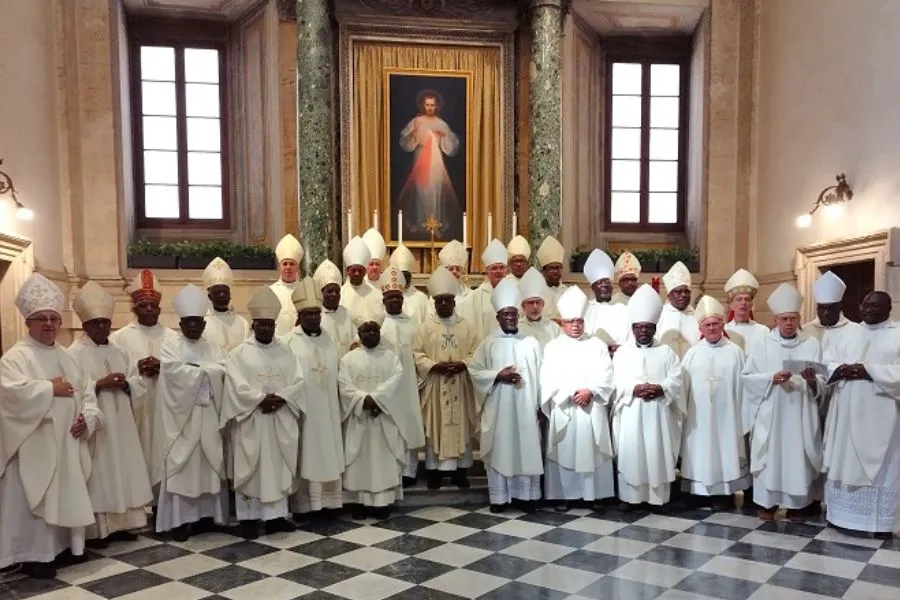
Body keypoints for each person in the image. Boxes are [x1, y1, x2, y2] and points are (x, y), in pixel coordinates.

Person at [0, 274, 98, 578]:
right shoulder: (14, 358)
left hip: (68, 442)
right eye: (41, 318)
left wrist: (89, 418)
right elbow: (9, 395)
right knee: (33, 498)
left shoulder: (67, 357)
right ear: (28, 322)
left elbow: (88, 392)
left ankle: (66, 547)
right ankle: (33, 555)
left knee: (65, 493)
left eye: (54, 318)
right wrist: (47, 389)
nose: (49, 324)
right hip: (34, 446)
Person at [69, 281, 152, 545]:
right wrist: (99, 384)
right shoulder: (73, 353)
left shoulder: (120, 350)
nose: (101, 327)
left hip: (123, 421)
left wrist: (126, 383)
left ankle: (127, 524)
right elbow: (74, 389)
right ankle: (99, 530)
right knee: (101, 471)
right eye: (95, 323)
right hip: (98, 425)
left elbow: (136, 380)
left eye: (105, 322)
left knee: (124, 467)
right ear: (85, 325)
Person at [222, 287, 303, 539]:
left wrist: (281, 399)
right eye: (261, 324)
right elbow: (235, 385)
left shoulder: (287, 351)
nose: (266, 329)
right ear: (253, 324)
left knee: (277, 468)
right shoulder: (238, 354)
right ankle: (248, 519)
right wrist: (260, 400)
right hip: (252, 421)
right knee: (252, 467)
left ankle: (276, 518)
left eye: (270, 324)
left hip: (280, 419)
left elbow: (299, 382)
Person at [742, 283, 824, 522]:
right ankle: (768, 504)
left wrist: (812, 382)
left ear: (799, 318)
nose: (788, 323)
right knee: (770, 457)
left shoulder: (812, 344)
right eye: (784, 318)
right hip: (772, 412)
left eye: (793, 318)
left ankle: (797, 506)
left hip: (800, 410)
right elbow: (747, 377)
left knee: (797, 457)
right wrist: (771, 378)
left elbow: (822, 379)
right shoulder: (763, 344)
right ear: (776, 320)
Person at [822, 291, 900, 536]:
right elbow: (828, 362)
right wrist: (840, 369)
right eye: (865, 305)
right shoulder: (848, 332)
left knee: (883, 466)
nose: (868, 310)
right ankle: (840, 516)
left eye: (875, 306)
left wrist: (869, 371)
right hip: (845, 409)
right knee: (844, 458)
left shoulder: (897, 333)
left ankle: (877, 523)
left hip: (881, 413)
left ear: (889, 308)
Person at [155, 285, 228, 541]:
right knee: (183, 466)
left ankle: (207, 517)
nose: (194, 327)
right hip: (182, 419)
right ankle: (179, 521)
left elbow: (223, 370)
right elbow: (174, 373)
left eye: (198, 322)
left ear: (204, 324)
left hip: (208, 415)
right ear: (181, 322)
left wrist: (199, 368)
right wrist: (206, 370)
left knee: (209, 464)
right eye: (189, 322)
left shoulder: (213, 347)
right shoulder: (170, 345)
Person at [469, 278, 543, 513]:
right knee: (501, 449)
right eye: (505, 315)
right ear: (498, 317)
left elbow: (542, 375)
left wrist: (541, 405)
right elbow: (474, 370)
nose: (510, 318)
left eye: (513, 314)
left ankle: (526, 497)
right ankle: (500, 499)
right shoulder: (488, 344)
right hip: (499, 409)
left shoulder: (531, 343)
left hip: (526, 407)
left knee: (525, 449)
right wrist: (497, 375)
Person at [541, 286, 615, 512]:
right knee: (564, 450)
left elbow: (607, 373)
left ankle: (593, 495)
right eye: (571, 321)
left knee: (591, 449)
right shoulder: (553, 347)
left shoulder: (597, 345)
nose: (576, 325)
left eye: (579, 321)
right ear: (562, 323)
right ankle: (562, 495)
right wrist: (569, 394)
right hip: (566, 407)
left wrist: (590, 391)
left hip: (591, 406)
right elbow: (547, 377)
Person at [612, 284, 685, 509]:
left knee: (656, 451)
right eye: (639, 327)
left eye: (648, 327)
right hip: (631, 411)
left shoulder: (667, 353)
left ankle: (657, 497)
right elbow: (614, 381)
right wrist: (633, 389)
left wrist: (661, 388)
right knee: (632, 452)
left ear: (655, 328)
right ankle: (630, 498)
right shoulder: (623, 353)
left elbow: (677, 379)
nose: (643, 331)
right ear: (633, 328)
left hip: (658, 413)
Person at [283, 277, 345, 518]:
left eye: (316, 314)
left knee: (328, 453)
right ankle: (305, 506)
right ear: (300, 315)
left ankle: (330, 503)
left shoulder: (330, 340)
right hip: (304, 414)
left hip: (329, 411)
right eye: (308, 314)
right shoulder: (289, 342)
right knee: (305, 454)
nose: (313, 318)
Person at [679, 295, 749, 509]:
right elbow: (684, 389)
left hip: (727, 416)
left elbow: (743, 388)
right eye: (707, 325)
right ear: (701, 327)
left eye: (715, 324)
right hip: (698, 417)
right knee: (700, 448)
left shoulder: (736, 353)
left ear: (722, 324)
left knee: (725, 449)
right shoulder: (692, 353)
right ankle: (699, 493)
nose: (711, 328)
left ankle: (724, 493)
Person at [414, 266, 479, 490]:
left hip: (460, 384)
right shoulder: (424, 328)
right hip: (435, 383)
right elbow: (416, 354)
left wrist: (463, 364)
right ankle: (434, 473)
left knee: (460, 427)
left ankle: (461, 473)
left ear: (454, 301)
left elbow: (476, 352)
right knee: (435, 426)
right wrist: (434, 366)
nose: (443, 304)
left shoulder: (467, 327)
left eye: (447, 300)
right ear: (434, 302)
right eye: (439, 300)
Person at [110, 270, 177, 485]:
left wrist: (164, 368)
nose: (149, 309)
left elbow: (183, 372)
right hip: (135, 410)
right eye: (143, 305)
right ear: (134, 308)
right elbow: (115, 374)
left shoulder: (173, 338)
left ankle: (162, 501)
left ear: (159, 308)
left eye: (152, 305)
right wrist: (136, 368)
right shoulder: (118, 338)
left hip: (164, 407)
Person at [338, 321, 406, 519]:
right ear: (358, 334)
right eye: (365, 331)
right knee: (359, 459)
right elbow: (344, 385)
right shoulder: (348, 359)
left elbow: (397, 381)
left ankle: (381, 504)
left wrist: (376, 401)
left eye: (374, 330)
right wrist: (364, 401)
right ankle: (358, 503)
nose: (370, 334)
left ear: (379, 333)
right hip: (360, 417)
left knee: (382, 459)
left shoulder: (391, 358)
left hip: (383, 418)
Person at [380, 266, 427, 486]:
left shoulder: (413, 324)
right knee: (390, 426)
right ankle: (391, 469)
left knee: (408, 422)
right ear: (383, 301)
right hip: (386, 388)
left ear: (403, 299)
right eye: (389, 298)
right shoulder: (377, 325)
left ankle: (409, 470)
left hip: (409, 384)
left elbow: (420, 353)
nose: (394, 302)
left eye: (397, 297)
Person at [397, 90, 462, 238]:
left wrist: (444, 136)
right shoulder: (417, 121)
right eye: (427, 105)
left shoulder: (441, 124)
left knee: (435, 190)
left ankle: (436, 224)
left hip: (436, 163)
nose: (430, 108)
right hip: (420, 160)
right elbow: (404, 140)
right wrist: (413, 134)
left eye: (432, 105)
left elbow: (452, 145)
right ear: (422, 105)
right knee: (421, 190)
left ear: (437, 106)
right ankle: (421, 223)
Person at [458, 239, 509, 340]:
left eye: (501, 267)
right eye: (494, 268)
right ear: (487, 271)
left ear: (506, 270)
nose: (498, 271)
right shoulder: (477, 295)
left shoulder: (514, 292)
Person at [582, 249, 629, 351]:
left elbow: (631, 339)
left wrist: (620, 348)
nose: (604, 285)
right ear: (592, 287)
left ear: (612, 286)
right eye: (599, 282)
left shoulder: (623, 309)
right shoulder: (586, 310)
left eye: (607, 282)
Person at [804, 271, 860, 352]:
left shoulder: (856, 331)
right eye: (822, 308)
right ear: (817, 308)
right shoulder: (805, 330)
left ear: (840, 307)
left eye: (830, 308)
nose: (826, 313)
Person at [202, 257, 249, 353]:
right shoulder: (202, 323)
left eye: (225, 291)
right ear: (209, 296)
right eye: (218, 292)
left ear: (230, 295)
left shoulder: (243, 323)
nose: (222, 295)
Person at [313, 258, 357, 355]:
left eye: (337, 291)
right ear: (321, 293)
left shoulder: (346, 313)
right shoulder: (316, 316)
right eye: (329, 291)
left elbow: (355, 338)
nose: (334, 294)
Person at [656, 261, 699, 358]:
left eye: (686, 291)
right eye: (678, 292)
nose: (683, 295)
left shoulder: (697, 317)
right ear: (669, 295)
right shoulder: (660, 316)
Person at [341, 236, 385, 326]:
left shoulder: (376, 293)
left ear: (365, 272)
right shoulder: (341, 294)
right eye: (353, 270)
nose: (357, 273)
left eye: (360, 270)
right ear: (347, 272)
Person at [724, 268, 769, 354]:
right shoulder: (724, 331)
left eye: (747, 299)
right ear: (731, 305)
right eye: (739, 299)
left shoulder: (763, 331)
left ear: (751, 304)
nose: (743, 303)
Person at [269, 233, 305, 336]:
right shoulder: (271, 291)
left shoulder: (304, 290)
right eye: (285, 264)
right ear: (279, 267)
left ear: (297, 267)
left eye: (292, 264)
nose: (288, 267)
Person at [517, 267, 561, 348]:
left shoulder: (554, 328)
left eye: (538, 302)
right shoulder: (517, 328)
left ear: (543, 304)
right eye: (531, 302)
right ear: (523, 306)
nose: (535, 306)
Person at [389, 243, 429, 323]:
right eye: (401, 276)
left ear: (410, 276)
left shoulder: (421, 298)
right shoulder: (388, 297)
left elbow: (427, 324)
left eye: (406, 275)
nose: (404, 279)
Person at [537, 235, 567, 320]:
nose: (555, 271)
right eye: (551, 268)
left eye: (558, 268)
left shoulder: (568, 293)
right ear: (543, 271)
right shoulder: (537, 294)